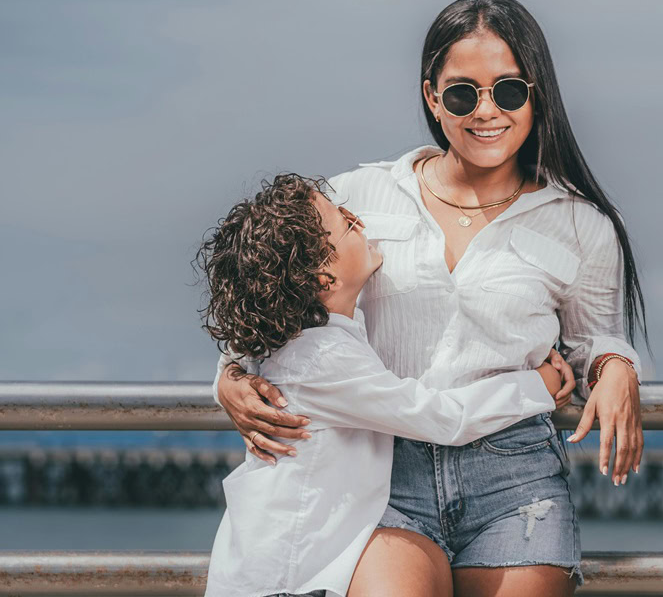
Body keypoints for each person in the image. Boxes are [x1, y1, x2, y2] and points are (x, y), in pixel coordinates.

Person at [213, 0, 651, 595]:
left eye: (510, 91)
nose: (487, 111)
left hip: (514, 476)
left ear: (537, 93)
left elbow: (591, 341)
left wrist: (618, 365)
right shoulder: (356, 196)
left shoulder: (581, 224)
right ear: (432, 97)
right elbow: (272, 298)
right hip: (379, 473)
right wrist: (230, 376)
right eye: (463, 94)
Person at [196, 173, 575, 597]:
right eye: (343, 221)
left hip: (282, 561)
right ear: (325, 279)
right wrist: (538, 383)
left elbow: (245, 343)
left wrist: (228, 375)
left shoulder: (310, 341)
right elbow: (443, 417)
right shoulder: (324, 359)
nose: (357, 219)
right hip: (290, 574)